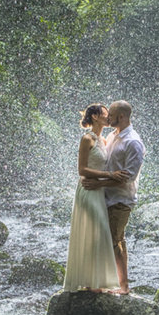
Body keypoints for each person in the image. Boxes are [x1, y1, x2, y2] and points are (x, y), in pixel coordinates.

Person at [62, 103, 130, 292]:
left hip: (100, 190)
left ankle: (96, 282)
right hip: (88, 190)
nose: (108, 116)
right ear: (94, 117)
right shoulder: (87, 139)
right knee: (95, 232)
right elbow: (81, 170)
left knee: (99, 236)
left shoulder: (105, 140)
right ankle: (90, 282)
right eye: (105, 113)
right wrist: (110, 176)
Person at [82, 100, 144, 294]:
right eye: (106, 114)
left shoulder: (133, 142)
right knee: (107, 240)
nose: (108, 118)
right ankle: (106, 283)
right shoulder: (112, 135)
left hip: (121, 199)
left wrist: (99, 183)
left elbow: (128, 177)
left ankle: (123, 286)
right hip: (104, 197)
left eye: (112, 115)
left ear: (122, 117)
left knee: (115, 240)